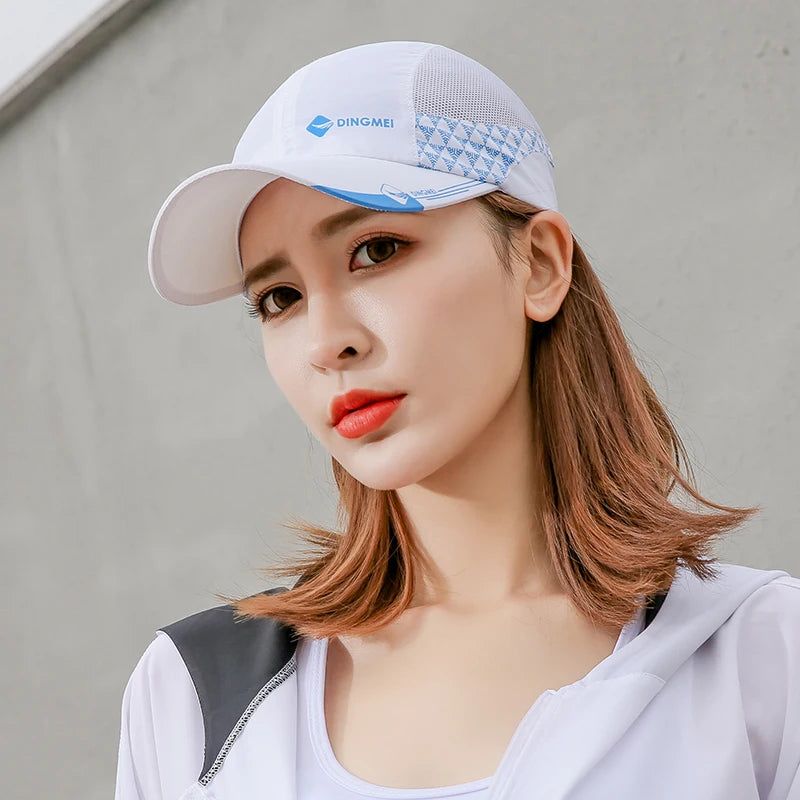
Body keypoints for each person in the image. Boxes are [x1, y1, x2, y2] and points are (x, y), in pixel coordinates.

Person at [115, 41, 800, 800]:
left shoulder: (761, 658)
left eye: (377, 250)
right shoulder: (191, 697)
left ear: (540, 264)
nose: (325, 342)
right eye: (280, 298)